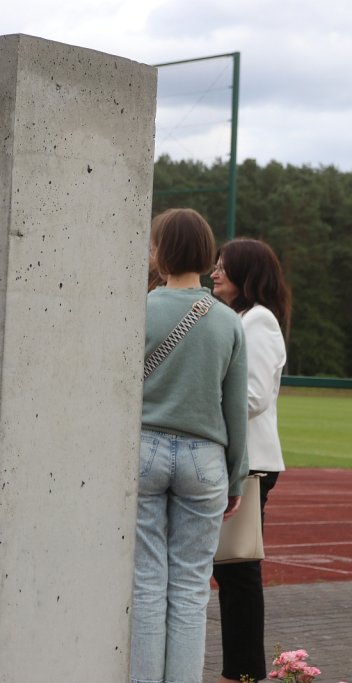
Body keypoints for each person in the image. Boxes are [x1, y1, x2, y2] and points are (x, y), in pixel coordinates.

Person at [131, 208, 248, 683]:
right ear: (205, 253)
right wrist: (237, 477)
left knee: (145, 585)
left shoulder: (136, 309)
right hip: (205, 460)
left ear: (158, 251)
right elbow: (235, 410)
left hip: (143, 450)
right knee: (191, 590)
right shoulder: (228, 322)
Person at [210, 238, 291, 683]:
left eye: (224, 266)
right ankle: (240, 670)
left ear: (247, 274)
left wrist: (201, 400)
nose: (214, 272)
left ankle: (242, 673)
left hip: (251, 463)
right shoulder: (237, 317)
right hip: (241, 459)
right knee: (232, 570)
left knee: (238, 569)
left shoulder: (259, 320)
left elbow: (254, 396)